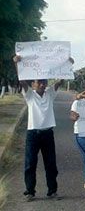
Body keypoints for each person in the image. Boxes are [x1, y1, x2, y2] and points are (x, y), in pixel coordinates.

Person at [15, 55, 65, 201]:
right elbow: (22, 80)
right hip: (33, 134)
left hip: (48, 133)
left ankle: (52, 191)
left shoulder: (50, 94)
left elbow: (60, 81)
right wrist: (17, 64)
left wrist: (67, 64)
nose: (42, 84)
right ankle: (30, 191)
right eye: (39, 82)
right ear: (34, 84)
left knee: (51, 164)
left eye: (44, 82)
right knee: (30, 163)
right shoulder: (29, 95)